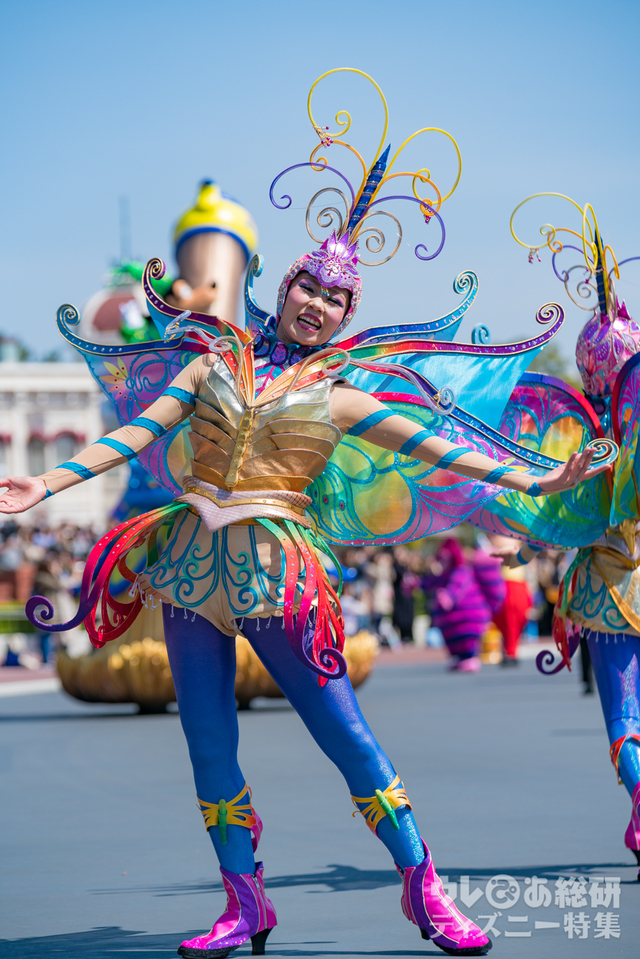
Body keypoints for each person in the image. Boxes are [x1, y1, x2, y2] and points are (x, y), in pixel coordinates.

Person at [0, 78, 609, 957]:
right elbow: (139, 433)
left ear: (347, 314)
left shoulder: (343, 394)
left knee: (347, 738)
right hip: (188, 569)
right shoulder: (211, 357)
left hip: (276, 574)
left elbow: (450, 454)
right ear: (283, 286)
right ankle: (244, 903)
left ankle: (423, 884)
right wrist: (44, 484)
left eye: (336, 296)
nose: (317, 301)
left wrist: (549, 481)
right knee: (209, 747)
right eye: (308, 285)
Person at [423, 538, 504, 672]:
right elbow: (429, 583)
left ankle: (471, 658)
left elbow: (457, 587)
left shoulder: (461, 571)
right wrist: (415, 584)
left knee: (468, 638)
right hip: (453, 621)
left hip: (470, 616)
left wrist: (449, 597)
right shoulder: (444, 575)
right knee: (456, 640)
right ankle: (460, 657)